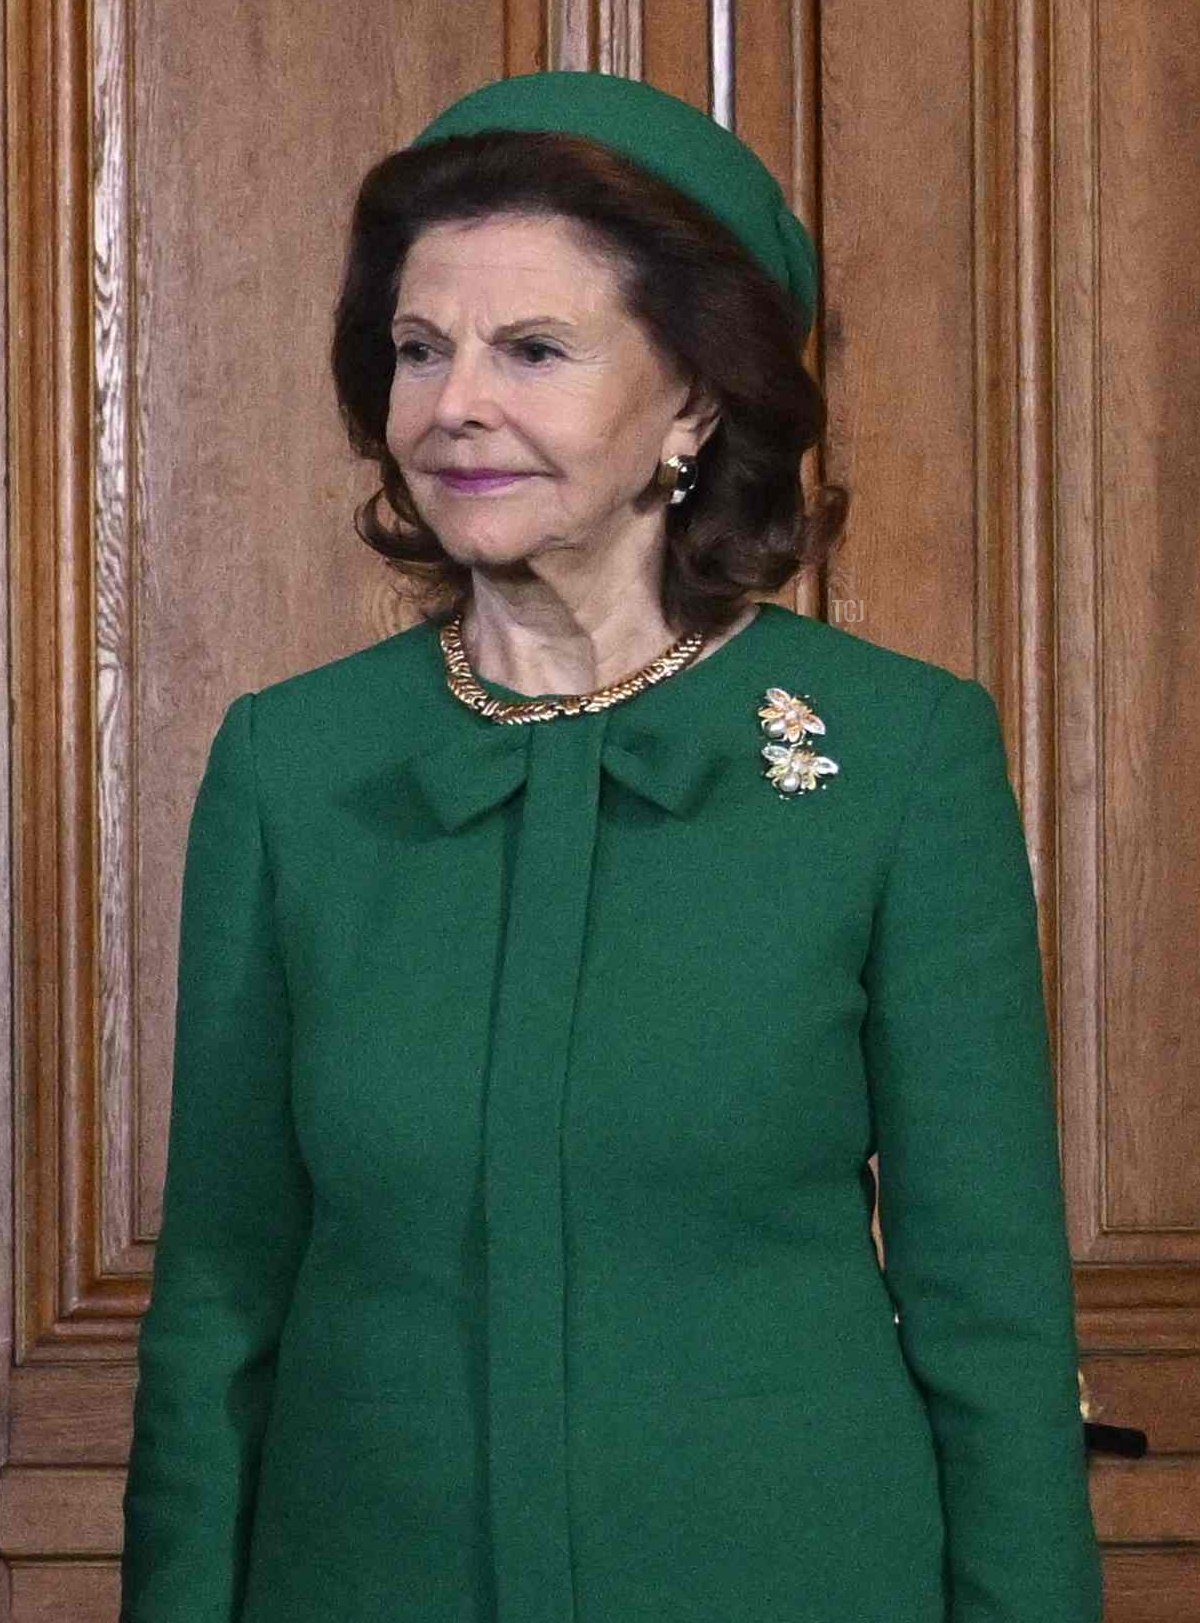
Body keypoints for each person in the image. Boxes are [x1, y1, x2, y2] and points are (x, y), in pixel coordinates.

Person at [119, 70, 1104, 1623]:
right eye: (420, 350)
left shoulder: (899, 757)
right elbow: (221, 1298)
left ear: (695, 401)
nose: (456, 406)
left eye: (535, 351)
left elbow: (991, 1313)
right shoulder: (289, 766)